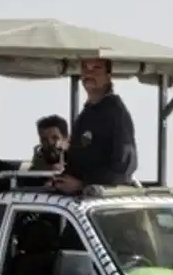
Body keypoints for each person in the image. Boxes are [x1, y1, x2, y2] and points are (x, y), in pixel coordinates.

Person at [54, 58, 138, 194]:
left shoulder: (116, 114)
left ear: (108, 76)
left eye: (96, 69)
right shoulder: (86, 114)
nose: (89, 73)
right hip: (76, 202)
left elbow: (124, 168)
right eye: (85, 68)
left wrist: (83, 184)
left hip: (104, 205)